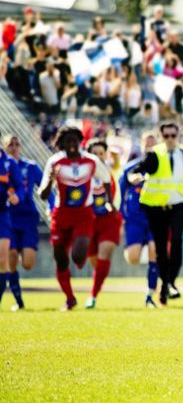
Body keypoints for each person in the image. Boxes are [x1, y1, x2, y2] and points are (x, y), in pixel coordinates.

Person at [129, 122, 183, 306]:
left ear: (178, 136)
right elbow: (137, 171)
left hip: (179, 205)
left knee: (176, 241)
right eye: (166, 136)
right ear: (161, 137)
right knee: (161, 248)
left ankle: (170, 282)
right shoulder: (155, 154)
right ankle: (164, 285)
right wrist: (134, 177)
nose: (170, 139)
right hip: (156, 207)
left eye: (173, 135)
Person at [39, 126, 112, 310]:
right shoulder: (55, 162)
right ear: (61, 143)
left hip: (83, 214)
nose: (71, 145)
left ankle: (79, 259)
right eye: (67, 141)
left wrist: (109, 201)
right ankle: (69, 298)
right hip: (61, 214)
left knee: (78, 255)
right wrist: (50, 180)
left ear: (80, 142)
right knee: (61, 259)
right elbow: (42, 194)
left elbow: (106, 179)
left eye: (74, 141)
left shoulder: (91, 161)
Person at [120, 131, 159, 308]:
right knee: (133, 258)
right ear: (142, 146)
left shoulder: (162, 168)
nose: (150, 147)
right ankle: (129, 247)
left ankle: (150, 294)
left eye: (153, 143)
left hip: (154, 218)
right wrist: (120, 217)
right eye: (147, 143)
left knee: (154, 252)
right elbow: (120, 193)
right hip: (134, 219)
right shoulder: (131, 167)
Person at [4, 135, 42, 310]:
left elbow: (45, 187)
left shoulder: (31, 167)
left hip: (27, 218)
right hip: (8, 218)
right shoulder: (4, 166)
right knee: (10, 257)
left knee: (28, 263)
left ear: (21, 146)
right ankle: (19, 301)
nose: (13, 147)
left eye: (16, 143)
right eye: (10, 144)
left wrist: (52, 205)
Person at [84, 139, 123, 309]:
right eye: (95, 154)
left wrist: (114, 147)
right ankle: (97, 284)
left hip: (110, 219)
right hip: (88, 219)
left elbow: (117, 161)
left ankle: (92, 296)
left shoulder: (112, 170)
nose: (98, 157)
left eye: (101, 153)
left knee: (104, 254)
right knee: (94, 260)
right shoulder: (83, 173)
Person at [0, 134, 25, 310]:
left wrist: (18, 196)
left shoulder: (9, 163)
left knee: (3, 259)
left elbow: (21, 186)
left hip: (2, 214)